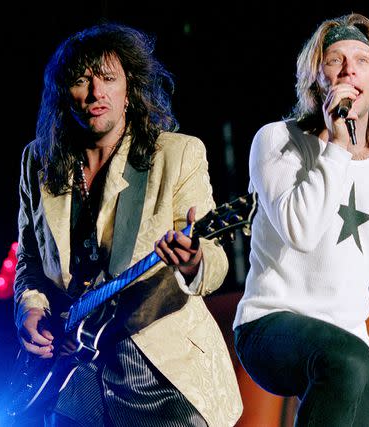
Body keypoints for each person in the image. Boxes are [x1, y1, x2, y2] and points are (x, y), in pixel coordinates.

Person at [12, 22, 243, 426]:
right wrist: (29, 310)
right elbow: (30, 261)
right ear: (63, 92)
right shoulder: (39, 161)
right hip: (75, 371)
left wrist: (192, 261)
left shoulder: (176, 154)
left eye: (108, 79)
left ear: (129, 88)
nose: (96, 93)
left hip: (156, 365)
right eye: (82, 80)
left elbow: (215, 262)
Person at [233, 13, 369, 425]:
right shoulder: (276, 141)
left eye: (360, 61)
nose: (347, 70)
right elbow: (299, 230)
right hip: (271, 323)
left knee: (367, 401)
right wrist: (336, 146)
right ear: (315, 78)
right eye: (334, 59)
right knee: (345, 358)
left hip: (348, 347)